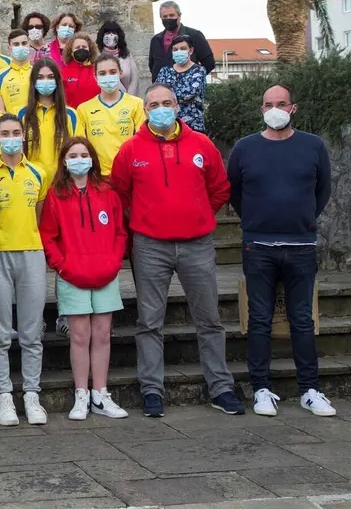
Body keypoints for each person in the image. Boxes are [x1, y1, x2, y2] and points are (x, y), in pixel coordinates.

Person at [111, 84, 243, 418]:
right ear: (145, 110)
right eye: (154, 104)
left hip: (197, 244)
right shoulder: (130, 150)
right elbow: (120, 194)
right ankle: (151, 390)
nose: (161, 109)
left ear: (177, 106)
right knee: (149, 322)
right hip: (149, 246)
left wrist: (198, 215)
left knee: (209, 319)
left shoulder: (202, 144)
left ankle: (221, 388)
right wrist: (144, 220)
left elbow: (220, 188)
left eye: (167, 102)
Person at [228, 86, 336, 417]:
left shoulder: (313, 146)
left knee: (302, 319)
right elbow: (235, 192)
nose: (275, 109)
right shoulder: (245, 148)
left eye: (281, 103)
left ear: (293, 108)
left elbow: (322, 190)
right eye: (269, 104)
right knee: (259, 319)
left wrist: (301, 220)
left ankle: (310, 390)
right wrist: (257, 222)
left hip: (300, 245)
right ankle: (261, 389)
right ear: (261, 109)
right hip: (258, 246)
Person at [40, 138, 129, 421]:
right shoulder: (56, 194)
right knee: (79, 336)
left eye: (83, 154)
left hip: (105, 274)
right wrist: (62, 266)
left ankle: (100, 394)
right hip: (72, 275)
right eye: (73, 155)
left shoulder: (107, 191)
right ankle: (81, 394)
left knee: (102, 334)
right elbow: (48, 235)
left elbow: (120, 231)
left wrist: (114, 261)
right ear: (64, 161)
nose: (79, 159)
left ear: (92, 159)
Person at [0, 114, 50, 427]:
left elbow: (39, 214)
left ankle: (31, 394)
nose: (11, 137)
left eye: (16, 132)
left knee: (31, 332)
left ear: (24, 135)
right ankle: (4, 395)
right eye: (5, 133)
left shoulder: (38, 172)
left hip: (31, 253)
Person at [76, 55, 147, 177]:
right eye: (102, 73)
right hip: (98, 176)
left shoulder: (137, 104)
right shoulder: (83, 109)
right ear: (95, 77)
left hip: (128, 173)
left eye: (112, 72)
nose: (108, 77)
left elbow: (142, 140)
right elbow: (81, 146)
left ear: (120, 73)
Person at [18, 58, 84, 181]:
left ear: (57, 81)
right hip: (32, 183)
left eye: (50, 77)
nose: (45, 81)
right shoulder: (21, 114)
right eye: (40, 77)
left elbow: (79, 151)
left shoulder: (71, 115)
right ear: (33, 81)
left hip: (63, 183)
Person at [150, 0, 216, 81]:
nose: (168, 18)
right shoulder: (155, 40)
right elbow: (152, 65)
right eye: (165, 16)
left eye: (171, 15)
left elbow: (209, 63)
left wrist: (193, 78)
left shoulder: (195, 35)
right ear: (161, 18)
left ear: (179, 16)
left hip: (187, 86)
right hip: (160, 86)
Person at [156, 35, 207, 132]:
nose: (179, 52)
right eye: (175, 49)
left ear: (190, 51)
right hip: (168, 124)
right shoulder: (165, 71)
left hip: (193, 125)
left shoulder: (199, 71)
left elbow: (188, 94)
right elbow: (157, 93)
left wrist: (167, 97)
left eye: (183, 49)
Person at [96, 21, 141, 97]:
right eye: (108, 33)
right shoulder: (97, 56)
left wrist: (129, 97)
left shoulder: (126, 55)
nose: (111, 35)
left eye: (114, 33)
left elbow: (134, 79)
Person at [0, 28, 35, 113]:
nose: (21, 47)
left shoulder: (37, 73)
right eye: (16, 44)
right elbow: (0, 110)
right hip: (11, 121)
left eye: (24, 43)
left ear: (29, 45)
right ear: (9, 48)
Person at [61, 31, 101, 109]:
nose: (81, 49)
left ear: (90, 50)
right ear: (71, 52)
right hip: (72, 114)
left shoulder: (98, 70)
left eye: (84, 47)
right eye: (77, 47)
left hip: (96, 113)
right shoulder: (63, 72)